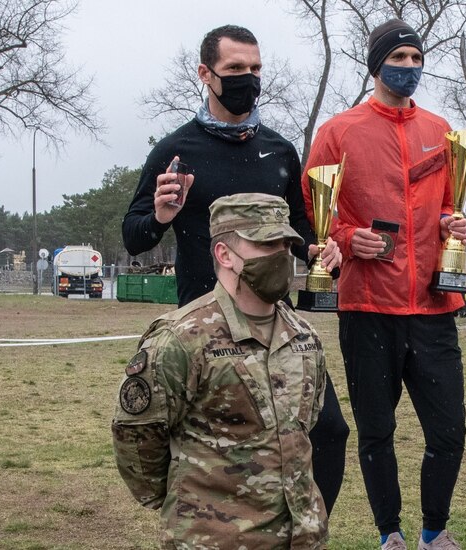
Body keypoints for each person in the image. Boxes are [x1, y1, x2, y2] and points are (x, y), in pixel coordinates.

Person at [121, 25, 348, 515]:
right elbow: (133, 235)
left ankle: (306, 533)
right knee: (226, 444)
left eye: (256, 69)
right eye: (235, 70)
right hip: (206, 327)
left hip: (275, 319)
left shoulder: (280, 150)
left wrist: (321, 250)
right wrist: (160, 215)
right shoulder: (175, 151)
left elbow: (303, 227)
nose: (248, 78)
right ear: (206, 74)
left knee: (329, 431)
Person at [303, 19, 466, 550]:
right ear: (376, 65)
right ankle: (390, 533)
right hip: (368, 305)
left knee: (449, 432)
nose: (410, 67)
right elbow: (314, 208)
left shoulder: (443, 130)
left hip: (434, 305)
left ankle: (435, 530)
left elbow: (447, 203)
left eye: (417, 58)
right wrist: (349, 239)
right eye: (399, 58)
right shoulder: (338, 131)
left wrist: (451, 223)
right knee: (376, 432)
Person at [112, 193, 330, 548]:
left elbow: (305, 427)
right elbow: (136, 436)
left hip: (301, 537)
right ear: (224, 254)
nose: (281, 257)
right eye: (266, 243)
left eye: (286, 245)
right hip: (215, 539)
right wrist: (182, 501)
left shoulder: (304, 336)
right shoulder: (181, 339)